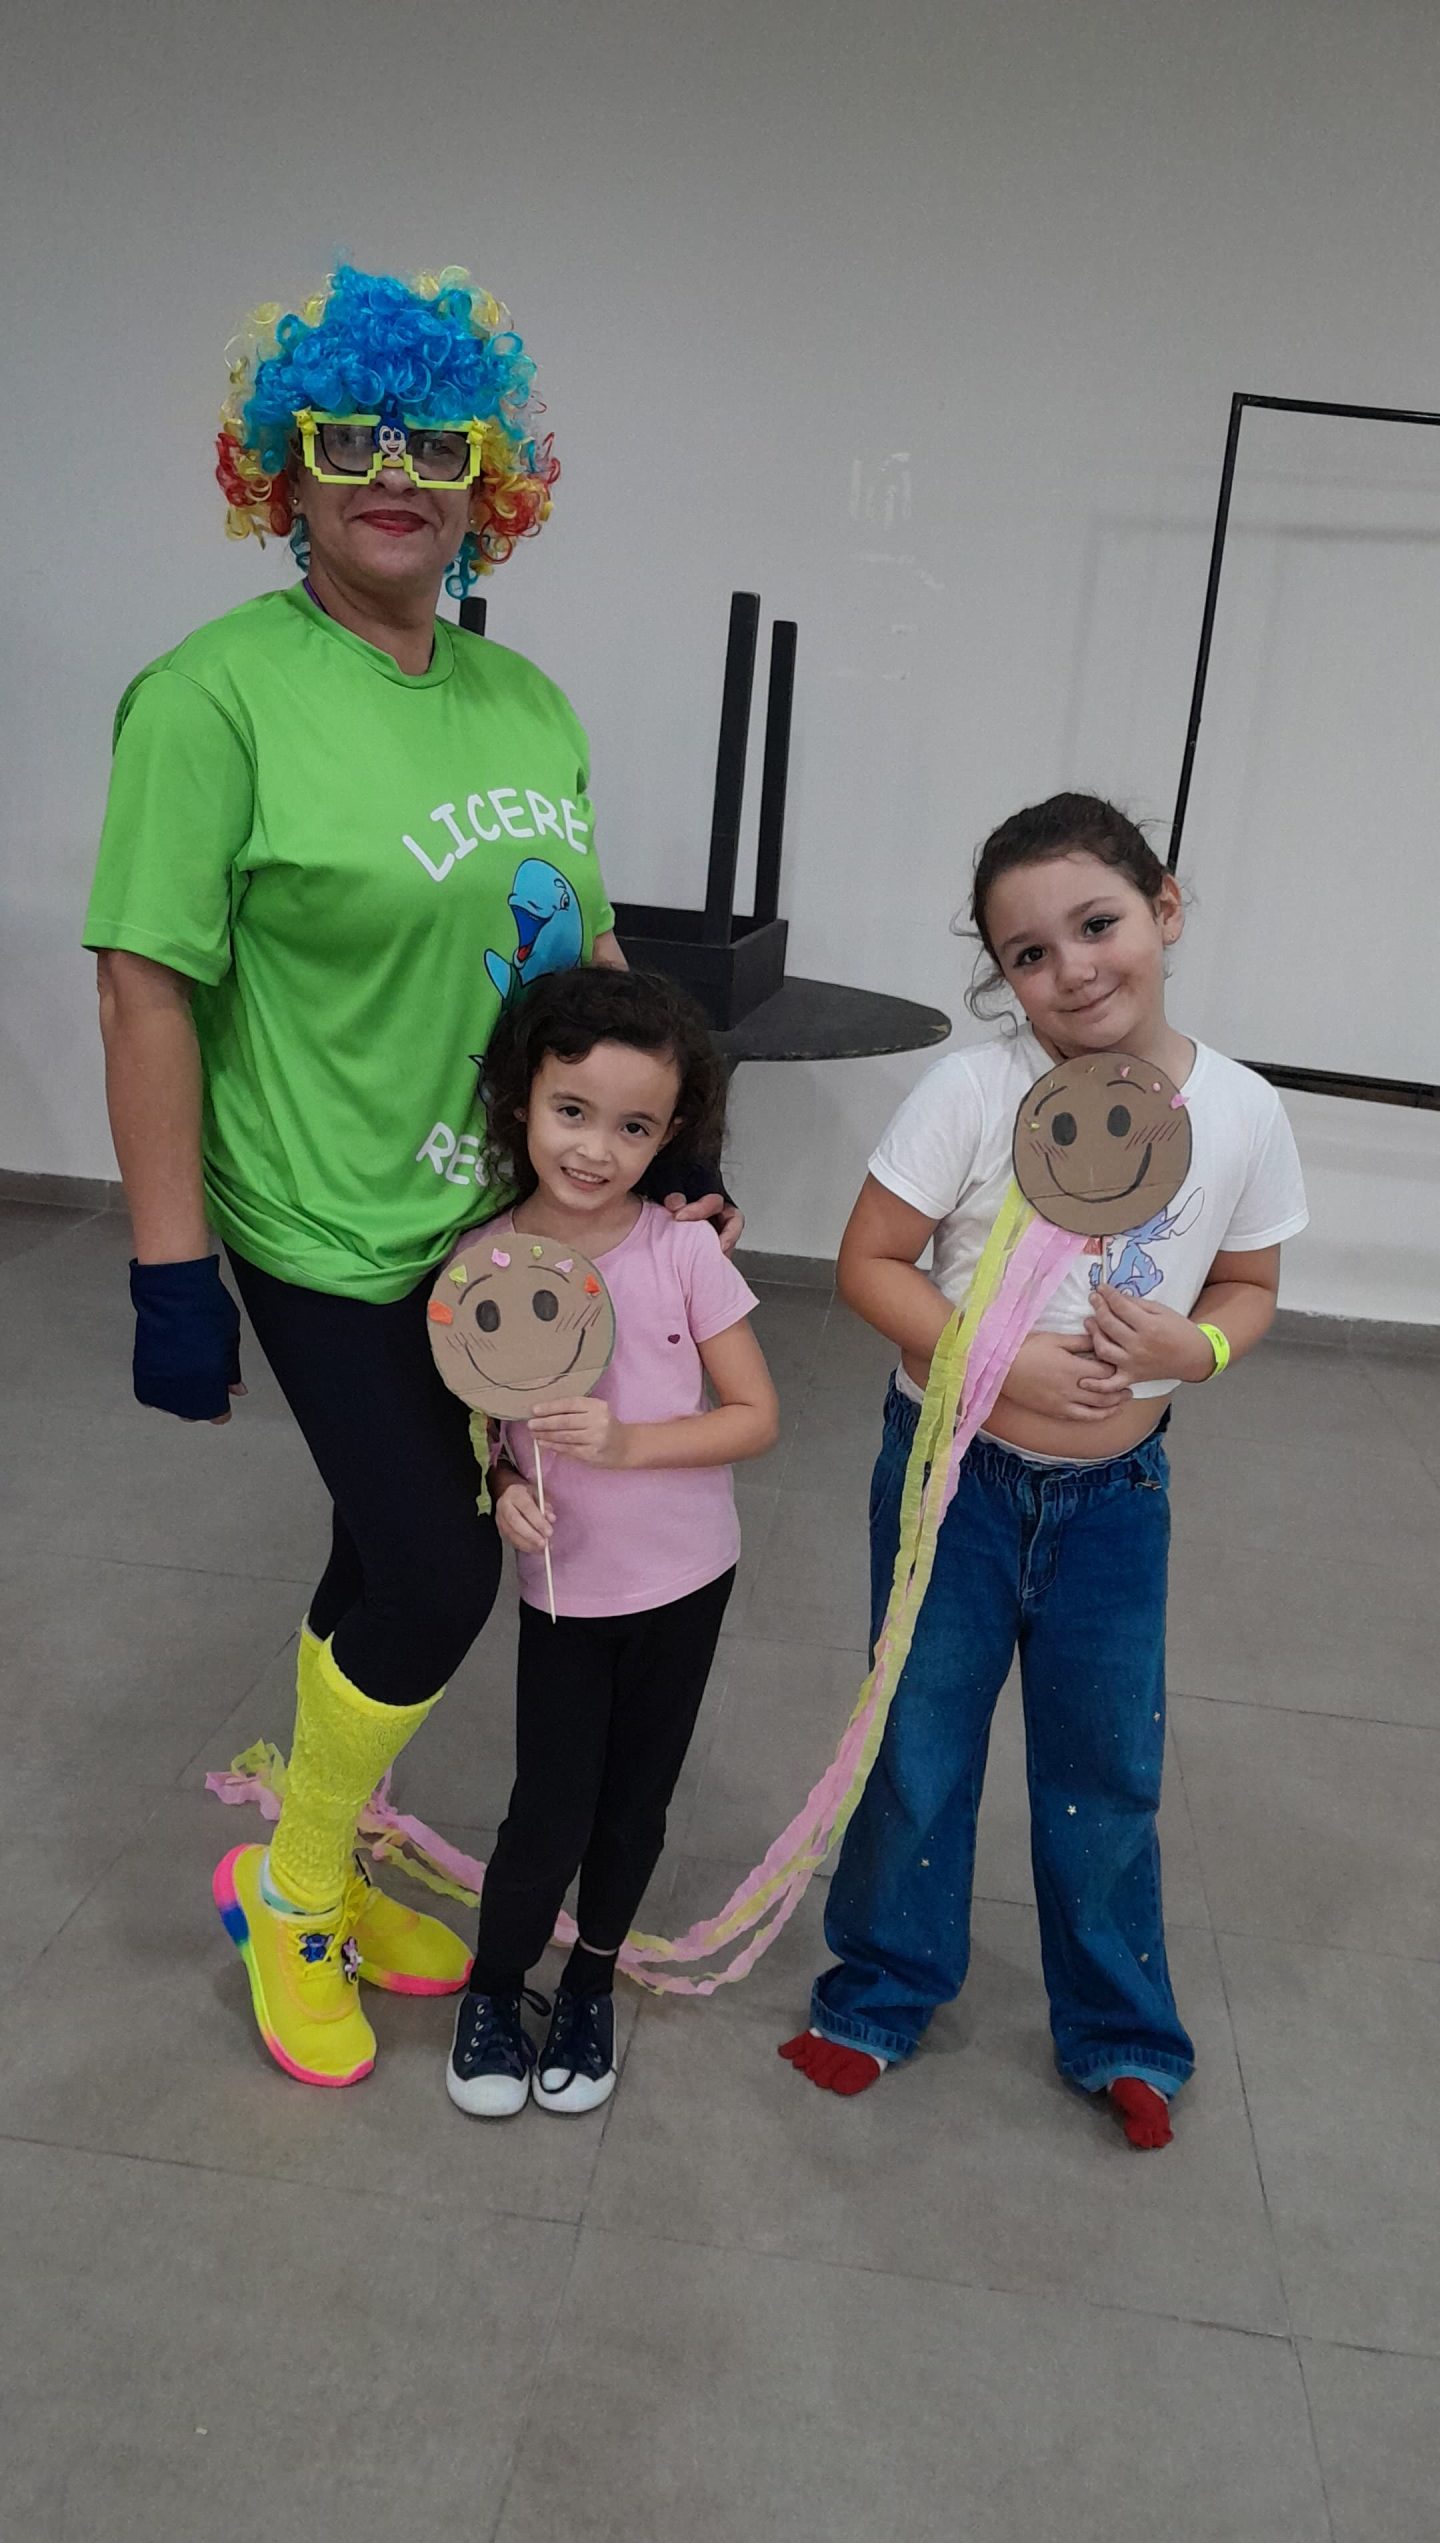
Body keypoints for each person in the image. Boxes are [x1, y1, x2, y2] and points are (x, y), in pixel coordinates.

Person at [83, 264, 737, 2092]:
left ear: (486, 480)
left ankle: (321, 1849)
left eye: (436, 443)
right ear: (281, 468)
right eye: (347, 437)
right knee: (445, 1575)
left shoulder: (527, 703)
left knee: (379, 1553)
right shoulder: (211, 697)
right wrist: (169, 1267)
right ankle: (294, 1892)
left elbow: (588, 967)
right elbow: (143, 987)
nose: (393, 471)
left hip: (496, 1240)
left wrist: (668, 1156)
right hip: (320, 1224)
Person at [780, 793, 1308, 2149]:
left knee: (1105, 1768)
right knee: (919, 1745)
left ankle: (1123, 2029)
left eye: (1098, 923)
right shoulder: (973, 1091)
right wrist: (999, 1364)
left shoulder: (1241, 1111)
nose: (1071, 969)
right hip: (952, 1481)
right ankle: (881, 1990)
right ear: (1002, 975)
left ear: (1165, 910)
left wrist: (1197, 1349)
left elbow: (1249, 1286)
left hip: (1116, 1505)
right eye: (1029, 952)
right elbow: (869, 1266)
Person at [443, 967, 778, 2118]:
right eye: (572, 1111)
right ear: (520, 1102)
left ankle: (589, 1981)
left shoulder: (683, 1253)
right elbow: (481, 1425)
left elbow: (756, 1416)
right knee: (548, 1810)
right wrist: (502, 1486)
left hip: (687, 1579)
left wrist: (630, 1443)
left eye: (634, 1126)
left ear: (670, 1133)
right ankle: (495, 1989)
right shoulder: (481, 1258)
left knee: (635, 1804)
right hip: (565, 1588)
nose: (596, 1148)